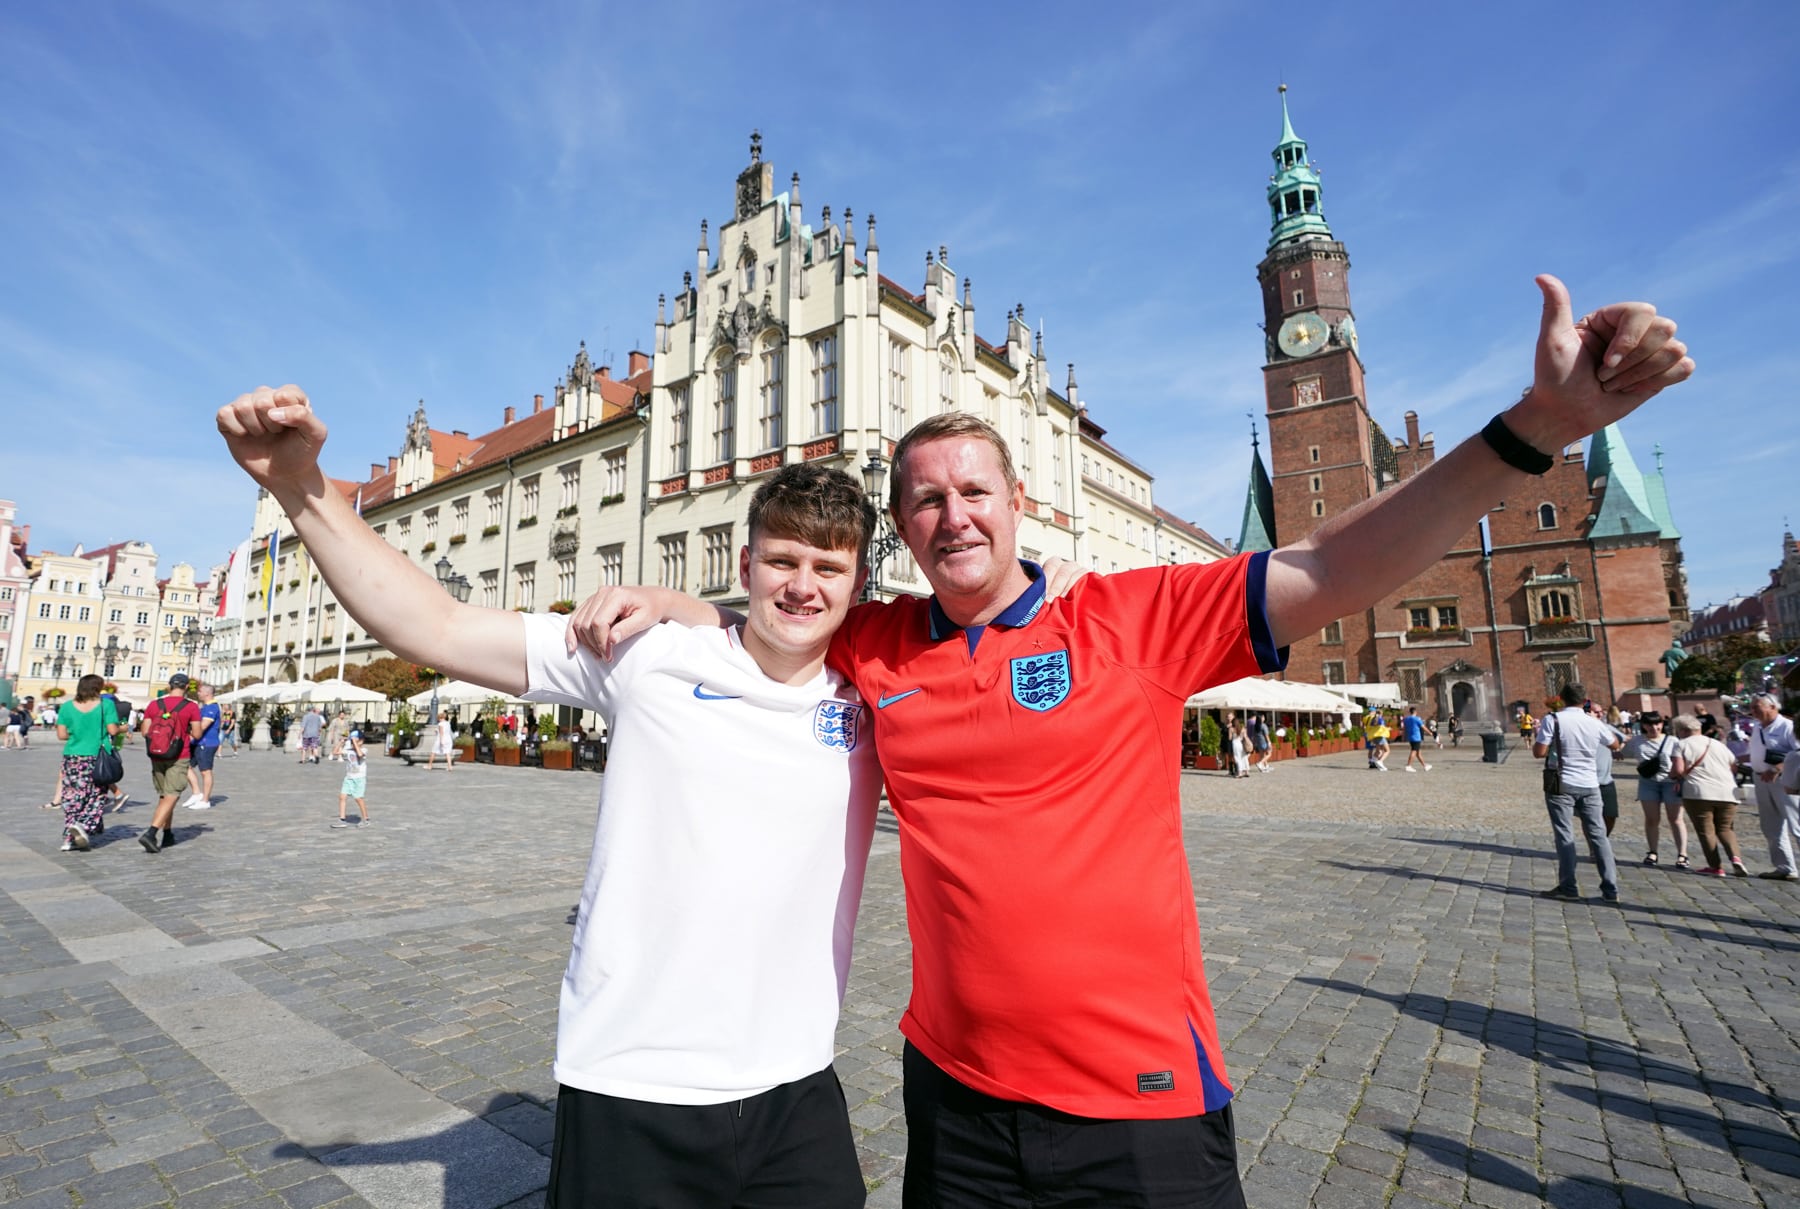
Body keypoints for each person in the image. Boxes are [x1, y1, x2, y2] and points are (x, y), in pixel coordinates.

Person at [572, 274, 1694, 1206]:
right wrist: (679, 609)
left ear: (1020, 504)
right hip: (954, 1103)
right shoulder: (879, 643)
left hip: (1139, 1107)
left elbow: (1336, 561)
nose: (951, 514)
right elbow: (782, 607)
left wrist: (1535, 430)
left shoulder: (1131, 619)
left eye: (973, 489)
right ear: (902, 531)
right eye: (923, 500)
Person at [220, 388, 1048, 1208]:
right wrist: (301, 489)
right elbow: (432, 626)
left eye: (827, 568)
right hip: (631, 1081)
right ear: (744, 565)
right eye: (783, 562)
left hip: (796, 1087)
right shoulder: (645, 655)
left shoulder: (871, 688)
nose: (802, 587)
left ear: (858, 581)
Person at [1532, 683, 1624, 900]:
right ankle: (1610, 888)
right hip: (1590, 784)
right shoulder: (1594, 722)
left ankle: (1569, 887)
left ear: (1561, 699)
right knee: (1599, 836)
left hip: (1561, 783)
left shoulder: (1553, 719)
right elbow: (1615, 745)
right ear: (1585, 701)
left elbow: (1539, 752)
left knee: (1565, 835)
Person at [1669, 713, 1747, 876]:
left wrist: (1672, 776)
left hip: (1699, 793)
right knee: (1726, 828)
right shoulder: (1718, 744)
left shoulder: (1681, 745)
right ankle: (1736, 859)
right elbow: (1733, 766)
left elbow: (1678, 770)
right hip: (1727, 792)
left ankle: (1715, 866)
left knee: (1706, 831)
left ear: (1682, 730)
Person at [138, 673, 205, 854]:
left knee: (164, 795)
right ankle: (151, 833)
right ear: (185, 687)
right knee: (172, 794)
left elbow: (144, 731)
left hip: (156, 754)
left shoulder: (154, 704)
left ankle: (167, 834)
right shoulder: (191, 707)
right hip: (178, 755)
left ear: (169, 686)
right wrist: (186, 731)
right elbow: (197, 734)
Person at [54, 675, 122, 852]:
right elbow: (112, 730)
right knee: (95, 794)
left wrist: (78, 735)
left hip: (73, 755)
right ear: (97, 688)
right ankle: (83, 825)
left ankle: (69, 838)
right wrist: (123, 727)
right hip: (96, 756)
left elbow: (61, 735)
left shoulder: (67, 706)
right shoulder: (105, 705)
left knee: (72, 794)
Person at [1745, 693, 1798, 881]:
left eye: (1757, 707)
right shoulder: (1758, 727)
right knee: (1771, 826)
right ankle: (1785, 867)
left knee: (1796, 825)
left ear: (1773, 707)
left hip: (1785, 781)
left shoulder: (1787, 727)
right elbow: (1755, 753)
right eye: (1751, 707)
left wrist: (1778, 768)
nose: (1753, 711)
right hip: (1761, 779)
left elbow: (1798, 753)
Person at [1624, 713, 1688, 868]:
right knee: (1652, 819)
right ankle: (1653, 852)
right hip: (1648, 783)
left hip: (1670, 782)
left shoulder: (1672, 741)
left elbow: (1682, 760)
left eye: (1657, 724)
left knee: (1676, 819)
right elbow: (1623, 753)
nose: (1654, 728)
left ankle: (1682, 854)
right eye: (1650, 725)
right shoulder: (1637, 741)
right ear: (1643, 726)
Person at [183, 683, 223, 811]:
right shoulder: (204, 707)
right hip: (197, 742)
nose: (198, 693)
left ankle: (205, 800)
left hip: (207, 743)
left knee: (205, 771)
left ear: (207, 693)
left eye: (200, 691)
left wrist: (189, 735)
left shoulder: (212, 707)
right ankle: (196, 793)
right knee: (185, 766)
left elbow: (203, 726)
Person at [1588, 700, 1625, 835]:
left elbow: (1623, 740)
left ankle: (1602, 842)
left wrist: (1617, 750)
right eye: (1595, 712)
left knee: (1610, 815)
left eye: (1601, 711)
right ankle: (1596, 850)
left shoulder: (1606, 727)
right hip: (1587, 781)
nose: (1599, 714)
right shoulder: (1581, 728)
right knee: (1590, 818)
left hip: (1605, 780)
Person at [333, 728, 370, 828]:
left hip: (359, 778)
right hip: (349, 777)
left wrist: (355, 742)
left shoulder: (364, 750)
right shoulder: (348, 750)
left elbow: (359, 754)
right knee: (342, 796)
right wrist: (341, 742)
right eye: (352, 742)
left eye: (356, 741)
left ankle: (366, 819)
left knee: (358, 798)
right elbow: (335, 752)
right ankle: (342, 819)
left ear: (361, 741)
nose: (353, 744)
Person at [1401, 705, 1431, 771]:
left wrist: (1403, 736)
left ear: (1410, 712)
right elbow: (1423, 727)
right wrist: (1430, 732)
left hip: (1410, 737)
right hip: (1416, 737)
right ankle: (1409, 765)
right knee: (1414, 751)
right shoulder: (1417, 719)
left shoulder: (1406, 719)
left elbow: (1404, 729)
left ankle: (1425, 766)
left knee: (1418, 753)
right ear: (1415, 712)